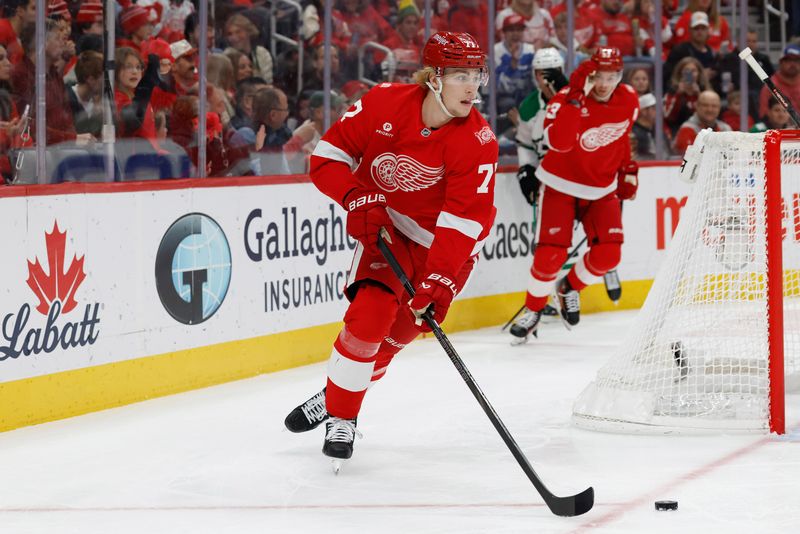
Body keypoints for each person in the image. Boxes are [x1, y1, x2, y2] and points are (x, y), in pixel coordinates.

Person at [283, 31, 498, 466]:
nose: (472, 86)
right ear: (433, 78)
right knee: (370, 316)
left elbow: (462, 223)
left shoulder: (477, 141)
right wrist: (354, 196)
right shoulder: (383, 102)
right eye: (460, 75)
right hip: (390, 229)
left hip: (446, 248)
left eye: (476, 75)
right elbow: (327, 157)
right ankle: (343, 416)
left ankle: (336, 392)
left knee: (395, 339)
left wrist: (438, 279)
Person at [509, 47, 639, 342]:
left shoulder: (629, 98)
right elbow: (561, 143)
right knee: (549, 257)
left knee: (609, 253)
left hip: (602, 188)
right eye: (599, 77)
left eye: (612, 76)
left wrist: (628, 169)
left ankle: (569, 288)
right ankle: (533, 310)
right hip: (559, 185)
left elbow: (621, 137)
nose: (605, 84)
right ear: (589, 75)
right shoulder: (563, 98)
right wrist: (576, 96)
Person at [515, 46, 567, 197]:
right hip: (547, 178)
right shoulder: (528, 107)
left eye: (554, 72)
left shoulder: (578, 96)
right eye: (543, 74)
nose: (548, 80)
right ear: (535, 76)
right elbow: (525, 145)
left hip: (579, 175)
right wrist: (527, 169)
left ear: (561, 72)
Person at [672, 89, 730, 153]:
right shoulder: (687, 129)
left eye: (714, 106)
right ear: (697, 106)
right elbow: (689, 158)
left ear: (719, 108)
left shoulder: (725, 129)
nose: (710, 110)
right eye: (705, 105)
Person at [757, 44, 800, 120]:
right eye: (788, 60)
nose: (793, 64)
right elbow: (764, 116)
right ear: (781, 62)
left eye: (796, 61)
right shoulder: (770, 86)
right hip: (780, 130)